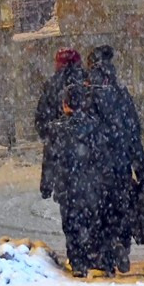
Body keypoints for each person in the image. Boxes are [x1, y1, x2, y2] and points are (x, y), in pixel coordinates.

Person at [86, 44, 144, 275]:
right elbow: (134, 133)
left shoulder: (87, 95)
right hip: (121, 165)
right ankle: (121, 243)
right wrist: (141, 171)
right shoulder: (121, 94)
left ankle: (104, 255)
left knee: (98, 212)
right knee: (120, 209)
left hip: (94, 166)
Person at [51, 82, 108, 277]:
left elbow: (51, 159)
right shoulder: (95, 127)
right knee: (93, 220)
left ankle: (77, 261)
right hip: (91, 184)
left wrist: (49, 183)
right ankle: (95, 257)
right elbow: (103, 156)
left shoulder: (58, 130)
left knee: (71, 224)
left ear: (65, 104)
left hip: (67, 185)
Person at [35, 48, 84, 203]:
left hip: (59, 153)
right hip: (85, 153)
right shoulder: (87, 82)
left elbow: (41, 118)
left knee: (65, 200)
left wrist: (49, 134)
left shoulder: (52, 85)